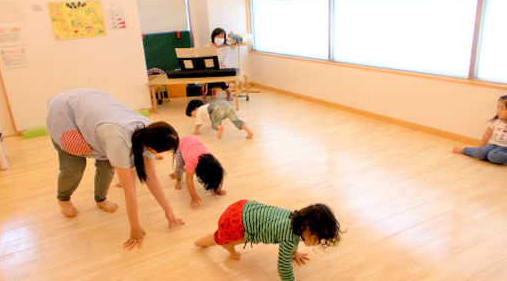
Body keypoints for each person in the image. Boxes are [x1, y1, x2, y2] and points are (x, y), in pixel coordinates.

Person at [47, 88, 184, 250]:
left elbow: (151, 177)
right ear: (153, 148)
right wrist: (134, 228)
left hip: (96, 111)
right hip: (65, 112)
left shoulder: (149, 131)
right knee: (74, 168)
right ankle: (63, 198)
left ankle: (100, 199)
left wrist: (169, 212)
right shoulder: (119, 139)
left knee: (107, 167)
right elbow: (129, 189)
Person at [194, 200, 342, 281]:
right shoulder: (289, 237)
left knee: (221, 236)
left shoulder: (295, 219)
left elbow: (295, 238)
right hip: (238, 223)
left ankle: (221, 244)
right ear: (308, 230)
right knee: (221, 239)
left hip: (244, 207)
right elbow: (283, 268)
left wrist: (294, 253)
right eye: (319, 239)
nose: (319, 242)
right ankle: (220, 248)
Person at [168, 136, 226, 208]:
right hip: (181, 145)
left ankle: (177, 174)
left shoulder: (212, 162)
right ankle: (177, 179)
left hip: (193, 142)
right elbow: (189, 180)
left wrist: (217, 189)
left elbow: (216, 175)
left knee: (187, 168)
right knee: (180, 167)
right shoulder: (192, 162)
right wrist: (193, 196)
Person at [453, 95, 507, 165]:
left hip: (505, 148)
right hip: (492, 144)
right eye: (498, 108)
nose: (498, 111)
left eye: (502, 109)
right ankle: (464, 150)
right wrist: (482, 147)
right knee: (481, 153)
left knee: (493, 156)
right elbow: (487, 134)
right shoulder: (495, 121)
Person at [185, 99, 254, 139]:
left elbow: (197, 125)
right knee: (236, 120)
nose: (194, 116)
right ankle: (249, 132)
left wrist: (196, 132)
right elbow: (209, 118)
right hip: (225, 104)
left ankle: (219, 127)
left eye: (192, 114)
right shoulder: (205, 107)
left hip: (216, 109)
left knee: (215, 124)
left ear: (195, 108)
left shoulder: (199, 110)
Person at [205, 27, 233, 101]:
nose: (220, 38)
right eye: (218, 36)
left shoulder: (226, 48)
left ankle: (229, 92)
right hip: (210, 69)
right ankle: (205, 94)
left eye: (222, 37)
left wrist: (221, 65)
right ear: (213, 37)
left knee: (222, 79)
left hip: (221, 69)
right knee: (207, 79)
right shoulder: (207, 47)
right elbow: (205, 59)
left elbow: (225, 62)